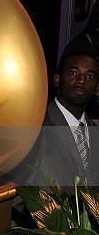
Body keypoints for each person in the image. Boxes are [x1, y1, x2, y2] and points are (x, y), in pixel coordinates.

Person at [27, 46, 99, 189]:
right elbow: (18, 196)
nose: (81, 80)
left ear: (97, 88)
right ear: (57, 79)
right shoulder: (34, 126)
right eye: (73, 73)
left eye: (90, 76)